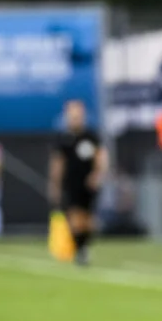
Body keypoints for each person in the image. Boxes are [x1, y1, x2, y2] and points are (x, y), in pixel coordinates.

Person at [48, 100, 108, 267]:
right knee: (75, 217)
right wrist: (55, 184)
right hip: (71, 183)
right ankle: (80, 249)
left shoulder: (91, 137)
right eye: (72, 116)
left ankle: (84, 246)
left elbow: (101, 157)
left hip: (89, 184)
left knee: (88, 219)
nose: (75, 119)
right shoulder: (63, 139)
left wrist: (97, 175)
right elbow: (57, 163)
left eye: (78, 116)